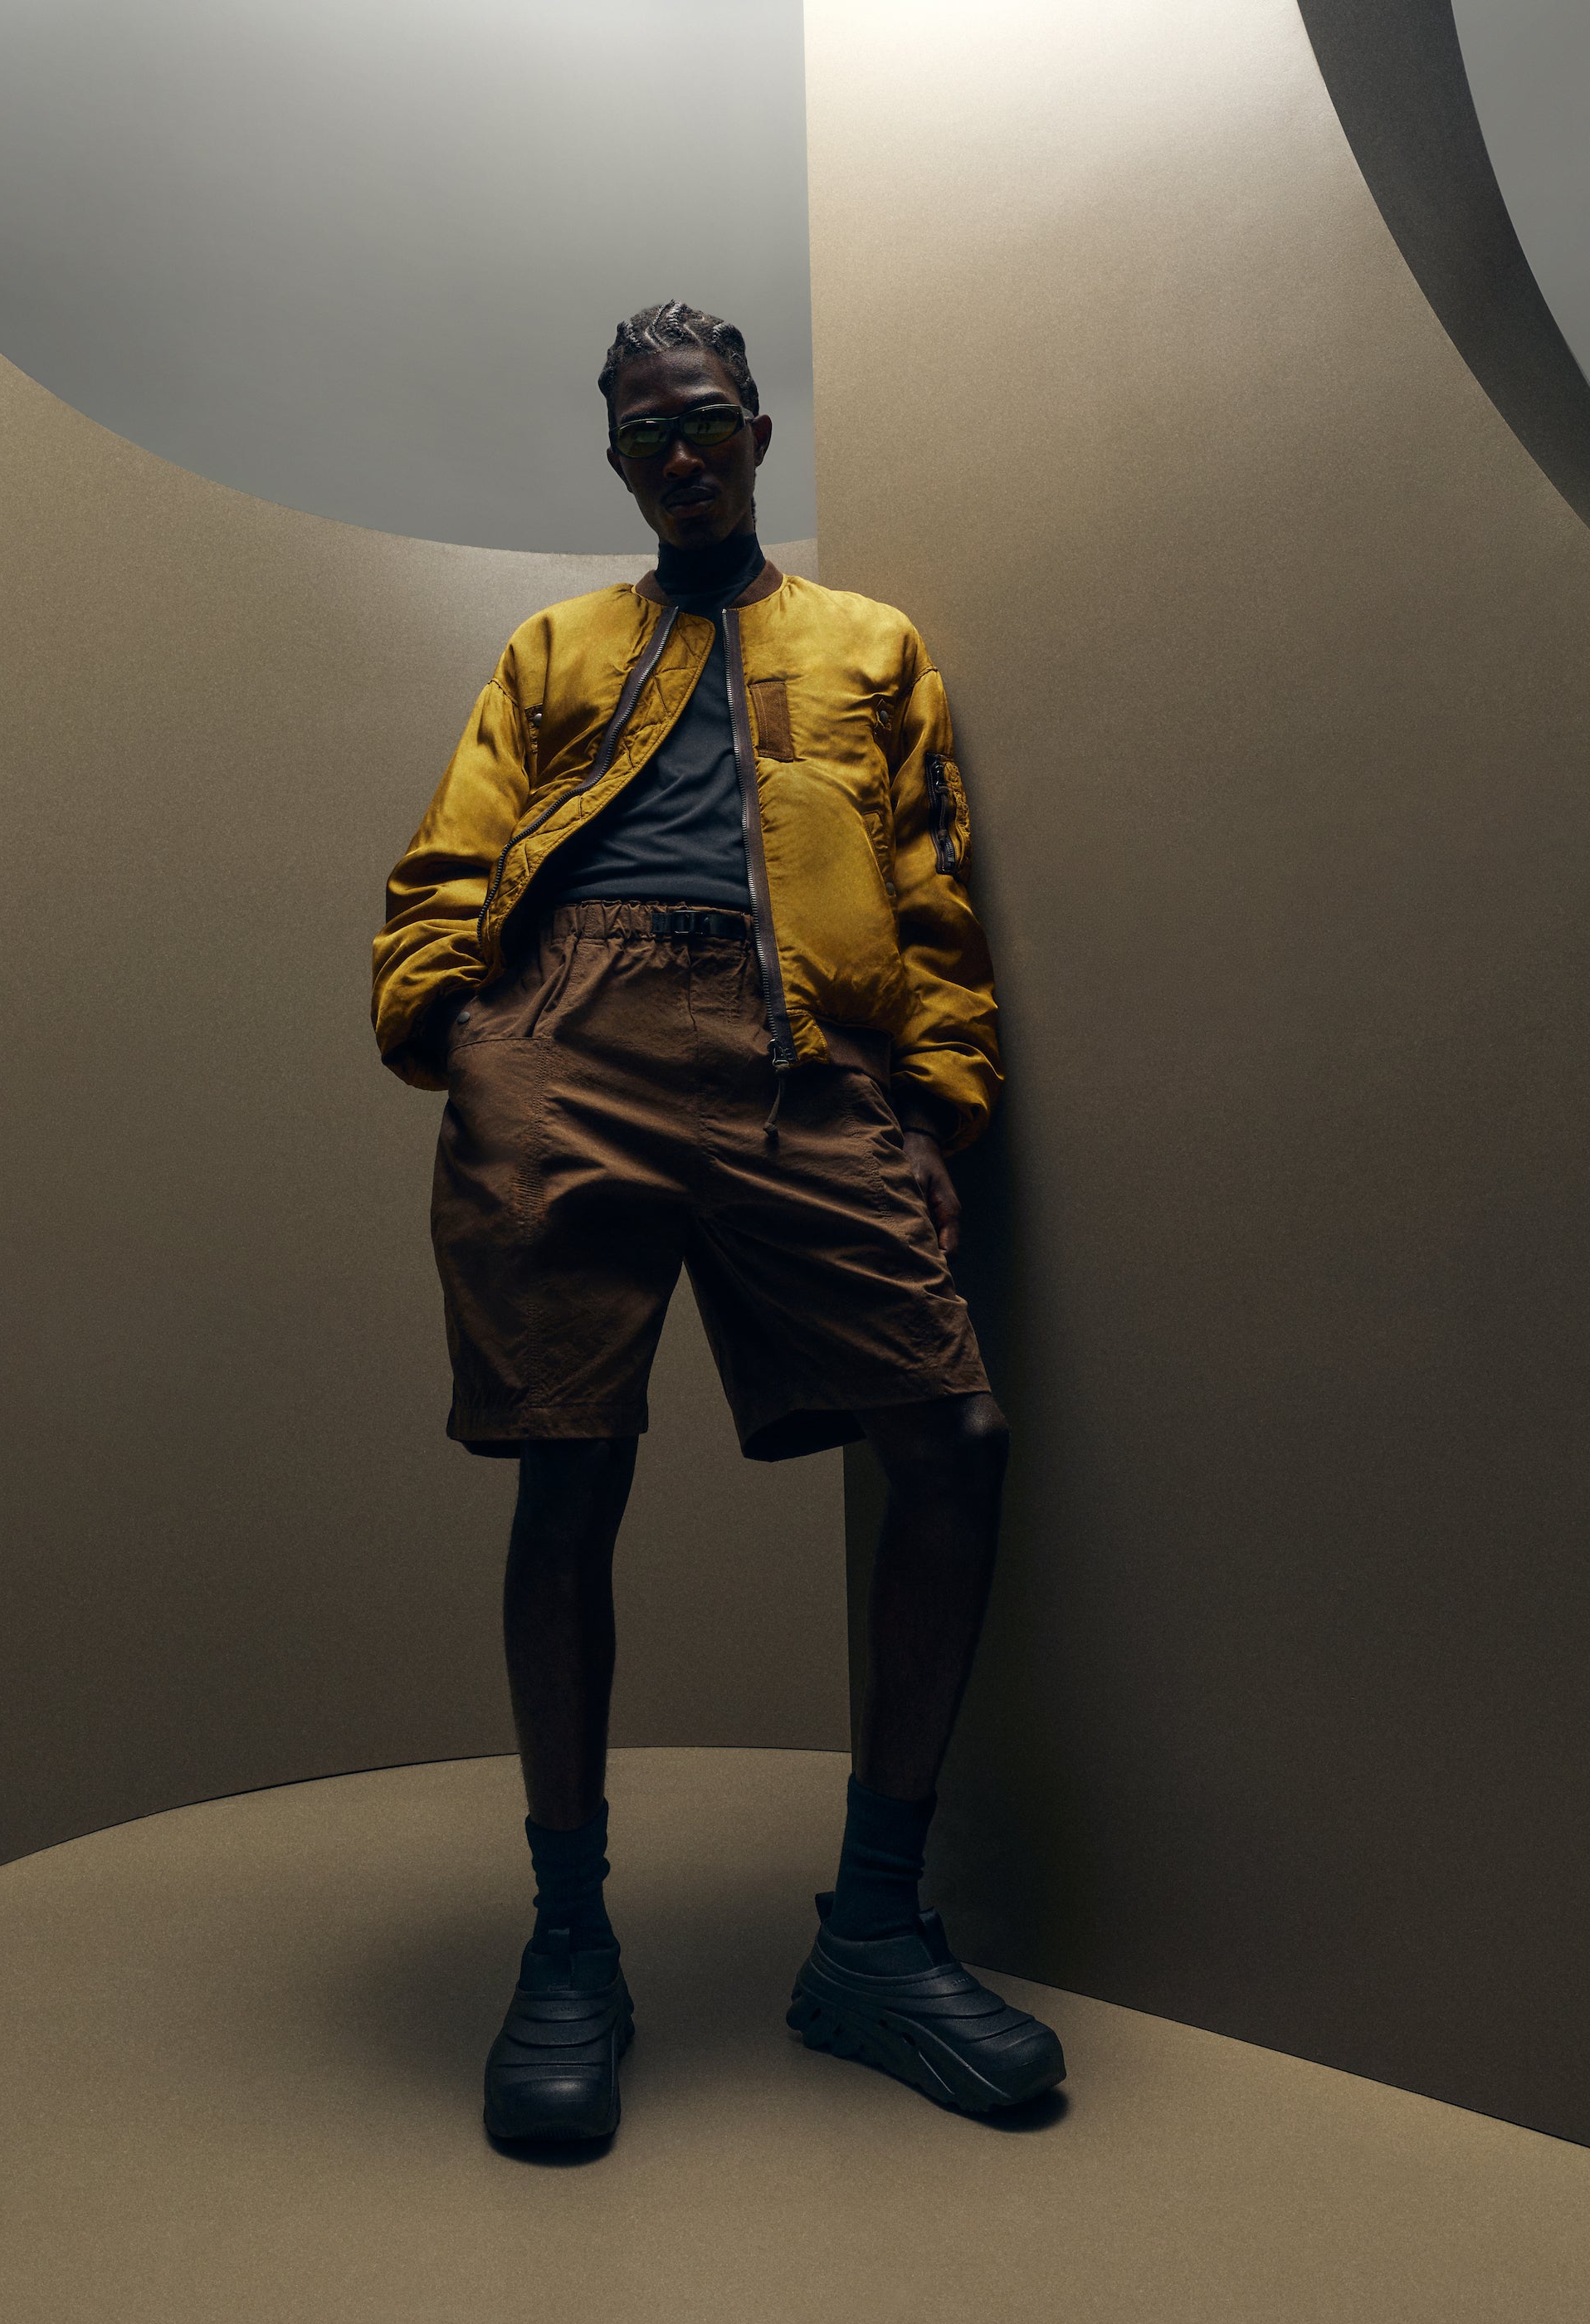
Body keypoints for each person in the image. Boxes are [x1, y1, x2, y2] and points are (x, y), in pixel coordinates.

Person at [371, 300, 1064, 2141]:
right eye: (643, 433)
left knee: (953, 1438)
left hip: (796, 1055)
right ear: (616, 461)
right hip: (569, 1038)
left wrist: (935, 1102)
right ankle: (570, 1945)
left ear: (758, 430)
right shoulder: (553, 646)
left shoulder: (867, 644)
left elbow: (926, 879)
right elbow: (451, 854)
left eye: (703, 420)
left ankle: (875, 1936)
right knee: (567, 1471)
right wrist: (465, 1034)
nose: (678, 452)